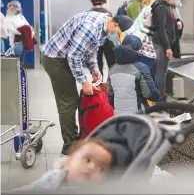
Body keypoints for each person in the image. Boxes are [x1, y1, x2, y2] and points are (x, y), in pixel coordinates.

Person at [41, 11, 133, 155]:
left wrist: (94, 68)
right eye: (119, 33)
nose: (116, 37)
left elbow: (91, 50)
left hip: (65, 57)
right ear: (115, 24)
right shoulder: (90, 27)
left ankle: (77, 139)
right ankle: (69, 148)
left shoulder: (103, 26)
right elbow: (74, 56)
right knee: (68, 102)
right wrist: (83, 81)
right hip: (56, 59)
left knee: (72, 100)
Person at [10, 139, 113, 192]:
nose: (91, 168)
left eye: (100, 168)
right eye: (87, 159)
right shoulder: (51, 181)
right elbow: (30, 189)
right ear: (69, 162)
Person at [107, 35, 161, 114]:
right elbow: (149, 94)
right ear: (138, 51)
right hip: (138, 114)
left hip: (119, 114)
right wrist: (158, 96)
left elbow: (110, 95)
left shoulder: (112, 69)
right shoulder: (141, 68)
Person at [151, 0, 177, 96]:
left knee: (162, 72)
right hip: (161, 44)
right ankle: (159, 99)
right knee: (161, 72)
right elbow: (161, 28)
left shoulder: (167, 6)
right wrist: (167, 47)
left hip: (164, 43)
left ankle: (159, 97)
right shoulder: (161, 7)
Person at [90, 0, 116, 80]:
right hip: (107, 40)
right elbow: (112, 28)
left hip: (94, 41)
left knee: (97, 65)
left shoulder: (88, 13)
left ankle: (99, 86)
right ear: (103, 3)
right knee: (111, 64)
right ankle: (112, 85)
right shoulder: (107, 13)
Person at [132, 0, 157, 74]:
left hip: (141, 41)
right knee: (148, 68)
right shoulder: (150, 10)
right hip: (147, 42)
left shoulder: (143, 10)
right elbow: (149, 27)